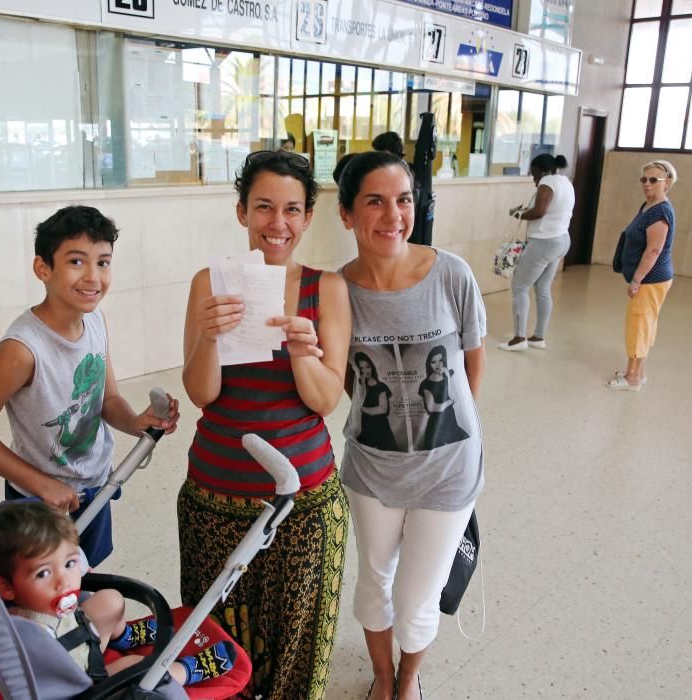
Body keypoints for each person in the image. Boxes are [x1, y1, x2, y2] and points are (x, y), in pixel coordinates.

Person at [179, 150, 351, 699]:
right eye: (264, 208)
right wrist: (209, 337)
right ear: (241, 212)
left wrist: (304, 350)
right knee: (219, 639)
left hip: (304, 502)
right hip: (215, 496)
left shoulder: (327, 288)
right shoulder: (211, 283)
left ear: (307, 217)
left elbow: (325, 400)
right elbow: (201, 393)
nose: (278, 223)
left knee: (295, 639)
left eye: (292, 210)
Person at [0, 205, 180, 567]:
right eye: (77, 262)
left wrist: (137, 421)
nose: (93, 277)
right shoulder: (22, 350)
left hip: (94, 487)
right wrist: (42, 485)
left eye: (103, 262)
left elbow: (107, 398)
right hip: (38, 504)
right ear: (43, 269)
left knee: (86, 578)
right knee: (43, 592)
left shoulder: (96, 322)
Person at [337, 151, 486, 700]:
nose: (393, 215)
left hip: (448, 469)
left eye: (403, 200)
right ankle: (381, 675)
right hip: (373, 470)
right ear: (346, 214)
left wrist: (451, 426)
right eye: (374, 201)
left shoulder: (451, 273)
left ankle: (408, 679)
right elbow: (348, 379)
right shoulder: (338, 290)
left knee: (418, 595)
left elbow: (473, 361)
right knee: (375, 580)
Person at [0, 501, 236, 687]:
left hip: (79, 642)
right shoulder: (29, 636)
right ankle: (184, 671)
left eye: (68, 564)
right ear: (6, 587)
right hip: (82, 684)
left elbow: (75, 559)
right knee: (137, 666)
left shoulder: (45, 599)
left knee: (111, 598)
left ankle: (122, 636)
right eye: (43, 574)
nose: (64, 581)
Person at [606, 160, 677, 391]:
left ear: (667, 183)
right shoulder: (649, 206)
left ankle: (632, 378)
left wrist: (637, 279)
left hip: (650, 279)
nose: (647, 184)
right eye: (644, 179)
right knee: (645, 324)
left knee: (638, 325)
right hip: (651, 279)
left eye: (654, 180)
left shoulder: (660, 211)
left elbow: (654, 250)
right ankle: (639, 371)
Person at [499, 152, 575, 351]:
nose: (533, 180)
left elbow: (539, 211)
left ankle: (519, 339)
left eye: (534, 175)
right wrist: (524, 209)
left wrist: (518, 213)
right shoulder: (565, 182)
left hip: (544, 242)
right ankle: (538, 337)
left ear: (542, 171)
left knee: (519, 287)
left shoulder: (547, 182)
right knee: (542, 288)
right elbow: (551, 210)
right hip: (561, 239)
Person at [417, 345, 469, 451]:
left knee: (466, 446)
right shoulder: (426, 383)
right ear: (429, 364)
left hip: (451, 422)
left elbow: (456, 396)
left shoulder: (448, 375)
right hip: (435, 425)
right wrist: (450, 401)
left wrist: (448, 377)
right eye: (433, 362)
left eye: (440, 360)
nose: (438, 364)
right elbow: (433, 408)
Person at [354, 351, 397, 451]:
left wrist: (363, 409)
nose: (366, 371)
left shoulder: (381, 386)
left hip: (381, 428)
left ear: (372, 366)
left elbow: (383, 409)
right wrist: (363, 385)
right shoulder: (360, 386)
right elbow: (358, 400)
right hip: (366, 428)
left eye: (367, 367)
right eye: (362, 368)